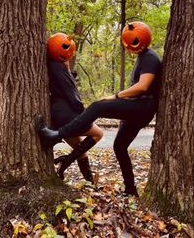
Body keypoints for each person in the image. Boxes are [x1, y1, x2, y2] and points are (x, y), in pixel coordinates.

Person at [38, 22, 162, 196]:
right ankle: (131, 190)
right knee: (119, 147)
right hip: (137, 108)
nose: (128, 45)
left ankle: (56, 135)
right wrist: (123, 113)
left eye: (132, 42)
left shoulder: (149, 57)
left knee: (97, 106)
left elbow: (142, 87)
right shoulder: (143, 57)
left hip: (142, 107)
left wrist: (117, 97)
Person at [45, 32, 103, 182]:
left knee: (79, 149)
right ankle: (65, 162)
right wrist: (84, 113)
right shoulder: (59, 68)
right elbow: (73, 97)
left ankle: (90, 182)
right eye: (66, 47)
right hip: (67, 114)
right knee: (98, 134)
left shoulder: (53, 66)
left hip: (57, 114)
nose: (70, 51)